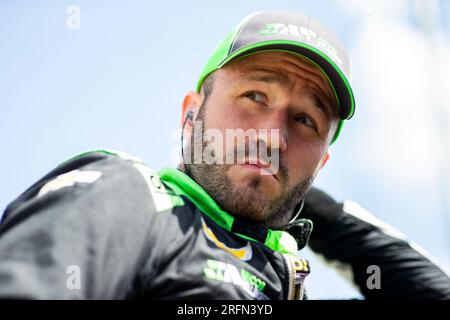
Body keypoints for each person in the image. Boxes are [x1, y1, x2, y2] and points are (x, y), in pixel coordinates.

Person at [0, 11, 449, 300]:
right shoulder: (130, 194)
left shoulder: (286, 277)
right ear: (191, 114)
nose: (274, 138)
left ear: (322, 164)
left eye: (306, 121)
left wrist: (301, 199)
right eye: (255, 95)